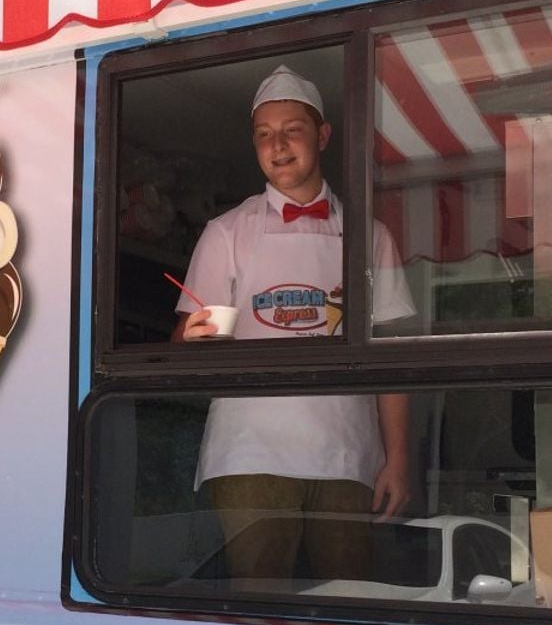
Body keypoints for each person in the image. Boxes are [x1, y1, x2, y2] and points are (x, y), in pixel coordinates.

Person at [171, 64, 415, 585]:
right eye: (264, 135)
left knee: (350, 599)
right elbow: (183, 347)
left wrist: (397, 459)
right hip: (249, 452)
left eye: (291, 130)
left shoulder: (371, 236)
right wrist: (190, 340)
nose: (277, 146)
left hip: (347, 452)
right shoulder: (225, 232)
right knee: (259, 598)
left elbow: (392, 358)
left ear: (322, 136)